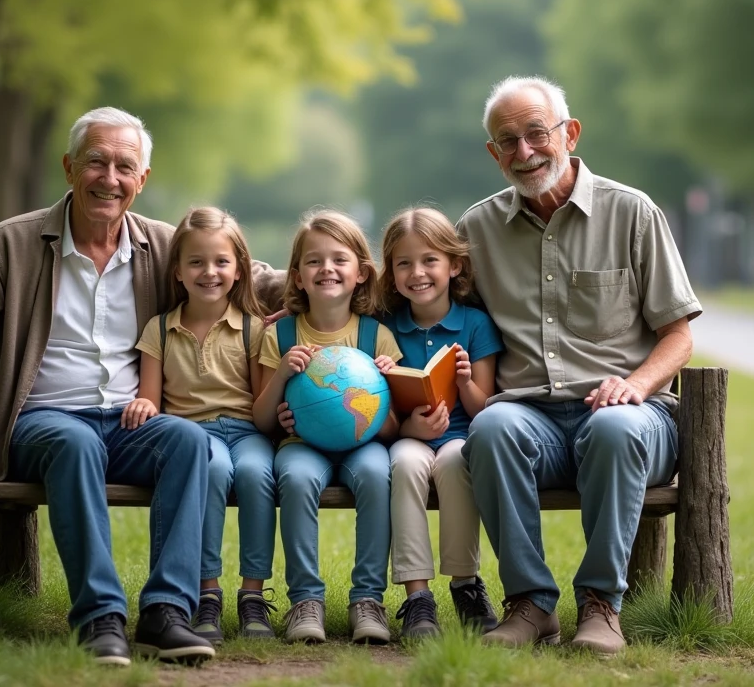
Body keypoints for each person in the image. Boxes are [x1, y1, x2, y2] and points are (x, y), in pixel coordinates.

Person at [0, 108, 283, 667]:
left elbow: (246, 272)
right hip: (44, 421)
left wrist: (328, 271)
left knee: (189, 441)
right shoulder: (11, 244)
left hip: (129, 418)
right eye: (96, 162)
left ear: (142, 181)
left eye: (124, 166)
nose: (109, 178)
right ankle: (100, 617)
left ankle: (166, 612)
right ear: (69, 168)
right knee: (75, 443)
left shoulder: (163, 246)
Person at [457, 76, 702, 654]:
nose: (525, 152)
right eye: (507, 141)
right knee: (491, 427)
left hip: (633, 418)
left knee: (614, 429)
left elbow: (679, 336)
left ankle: (600, 606)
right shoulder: (476, 230)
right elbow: (433, 313)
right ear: (494, 155)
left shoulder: (632, 212)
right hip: (530, 419)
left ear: (569, 133)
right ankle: (531, 606)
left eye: (537, 134)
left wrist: (638, 385)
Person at [122, 207, 277, 647]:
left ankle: (253, 594)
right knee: (211, 471)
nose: (209, 272)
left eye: (221, 262)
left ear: (239, 270)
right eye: (196, 262)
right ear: (177, 272)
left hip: (247, 433)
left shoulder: (252, 328)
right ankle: (206, 592)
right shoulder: (160, 330)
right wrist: (141, 407)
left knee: (254, 474)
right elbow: (151, 399)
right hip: (192, 437)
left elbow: (261, 402)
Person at [253, 209, 403, 645]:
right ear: (297, 276)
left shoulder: (378, 338)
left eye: (340, 259)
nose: (327, 269)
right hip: (301, 443)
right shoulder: (279, 336)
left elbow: (393, 429)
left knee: (378, 474)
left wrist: (387, 384)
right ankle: (305, 600)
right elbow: (262, 421)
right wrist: (282, 376)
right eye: (314, 261)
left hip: (365, 443)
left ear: (361, 273)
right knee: (296, 478)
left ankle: (368, 600)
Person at [375, 207, 504, 640]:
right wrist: (410, 427)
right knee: (405, 465)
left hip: (461, 435)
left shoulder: (475, 324)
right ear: (391, 273)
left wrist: (465, 382)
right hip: (410, 436)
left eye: (429, 260)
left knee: (455, 464)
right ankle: (417, 598)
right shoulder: (384, 328)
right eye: (404, 263)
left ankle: (465, 583)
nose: (418, 273)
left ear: (455, 265)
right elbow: (381, 413)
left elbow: (484, 405)